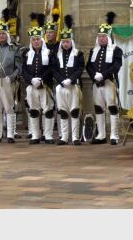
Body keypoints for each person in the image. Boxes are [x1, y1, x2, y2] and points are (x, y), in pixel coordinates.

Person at [86, 12, 123, 145]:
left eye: (104, 36)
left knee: (112, 108)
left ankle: (114, 135)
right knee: (98, 108)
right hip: (96, 84)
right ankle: (101, 135)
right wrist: (94, 77)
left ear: (109, 37)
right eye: (100, 36)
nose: (102, 39)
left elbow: (117, 65)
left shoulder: (116, 50)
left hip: (109, 82)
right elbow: (88, 66)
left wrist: (103, 75)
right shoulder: (93, 51)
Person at [52, 15, 84, 145]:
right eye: (64, 42)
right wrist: (61, 81)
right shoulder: (56, 55)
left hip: (73, 86)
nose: (66, 44)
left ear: (72, 42)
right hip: (61, 87)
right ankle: (64, 137)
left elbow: (80, 68)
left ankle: (75, 137)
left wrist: (71, 79)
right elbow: (54, 70)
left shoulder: (78, 54)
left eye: (68, 42)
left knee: (75, 111)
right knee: (63, 112)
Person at [23, 25, 55, 144]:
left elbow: (52, 68)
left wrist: (41, 79)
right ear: (31, 41)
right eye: (34, 39)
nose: (36, 42)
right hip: (31, 86)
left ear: (42, 40)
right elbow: (24, 70)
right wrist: (31, 80)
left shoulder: (49, 53)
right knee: (34, 110)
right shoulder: (27, 54)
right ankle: (35, 135)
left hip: (45, 85)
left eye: (38, 39)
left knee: (48, 110)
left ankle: (48, 135)